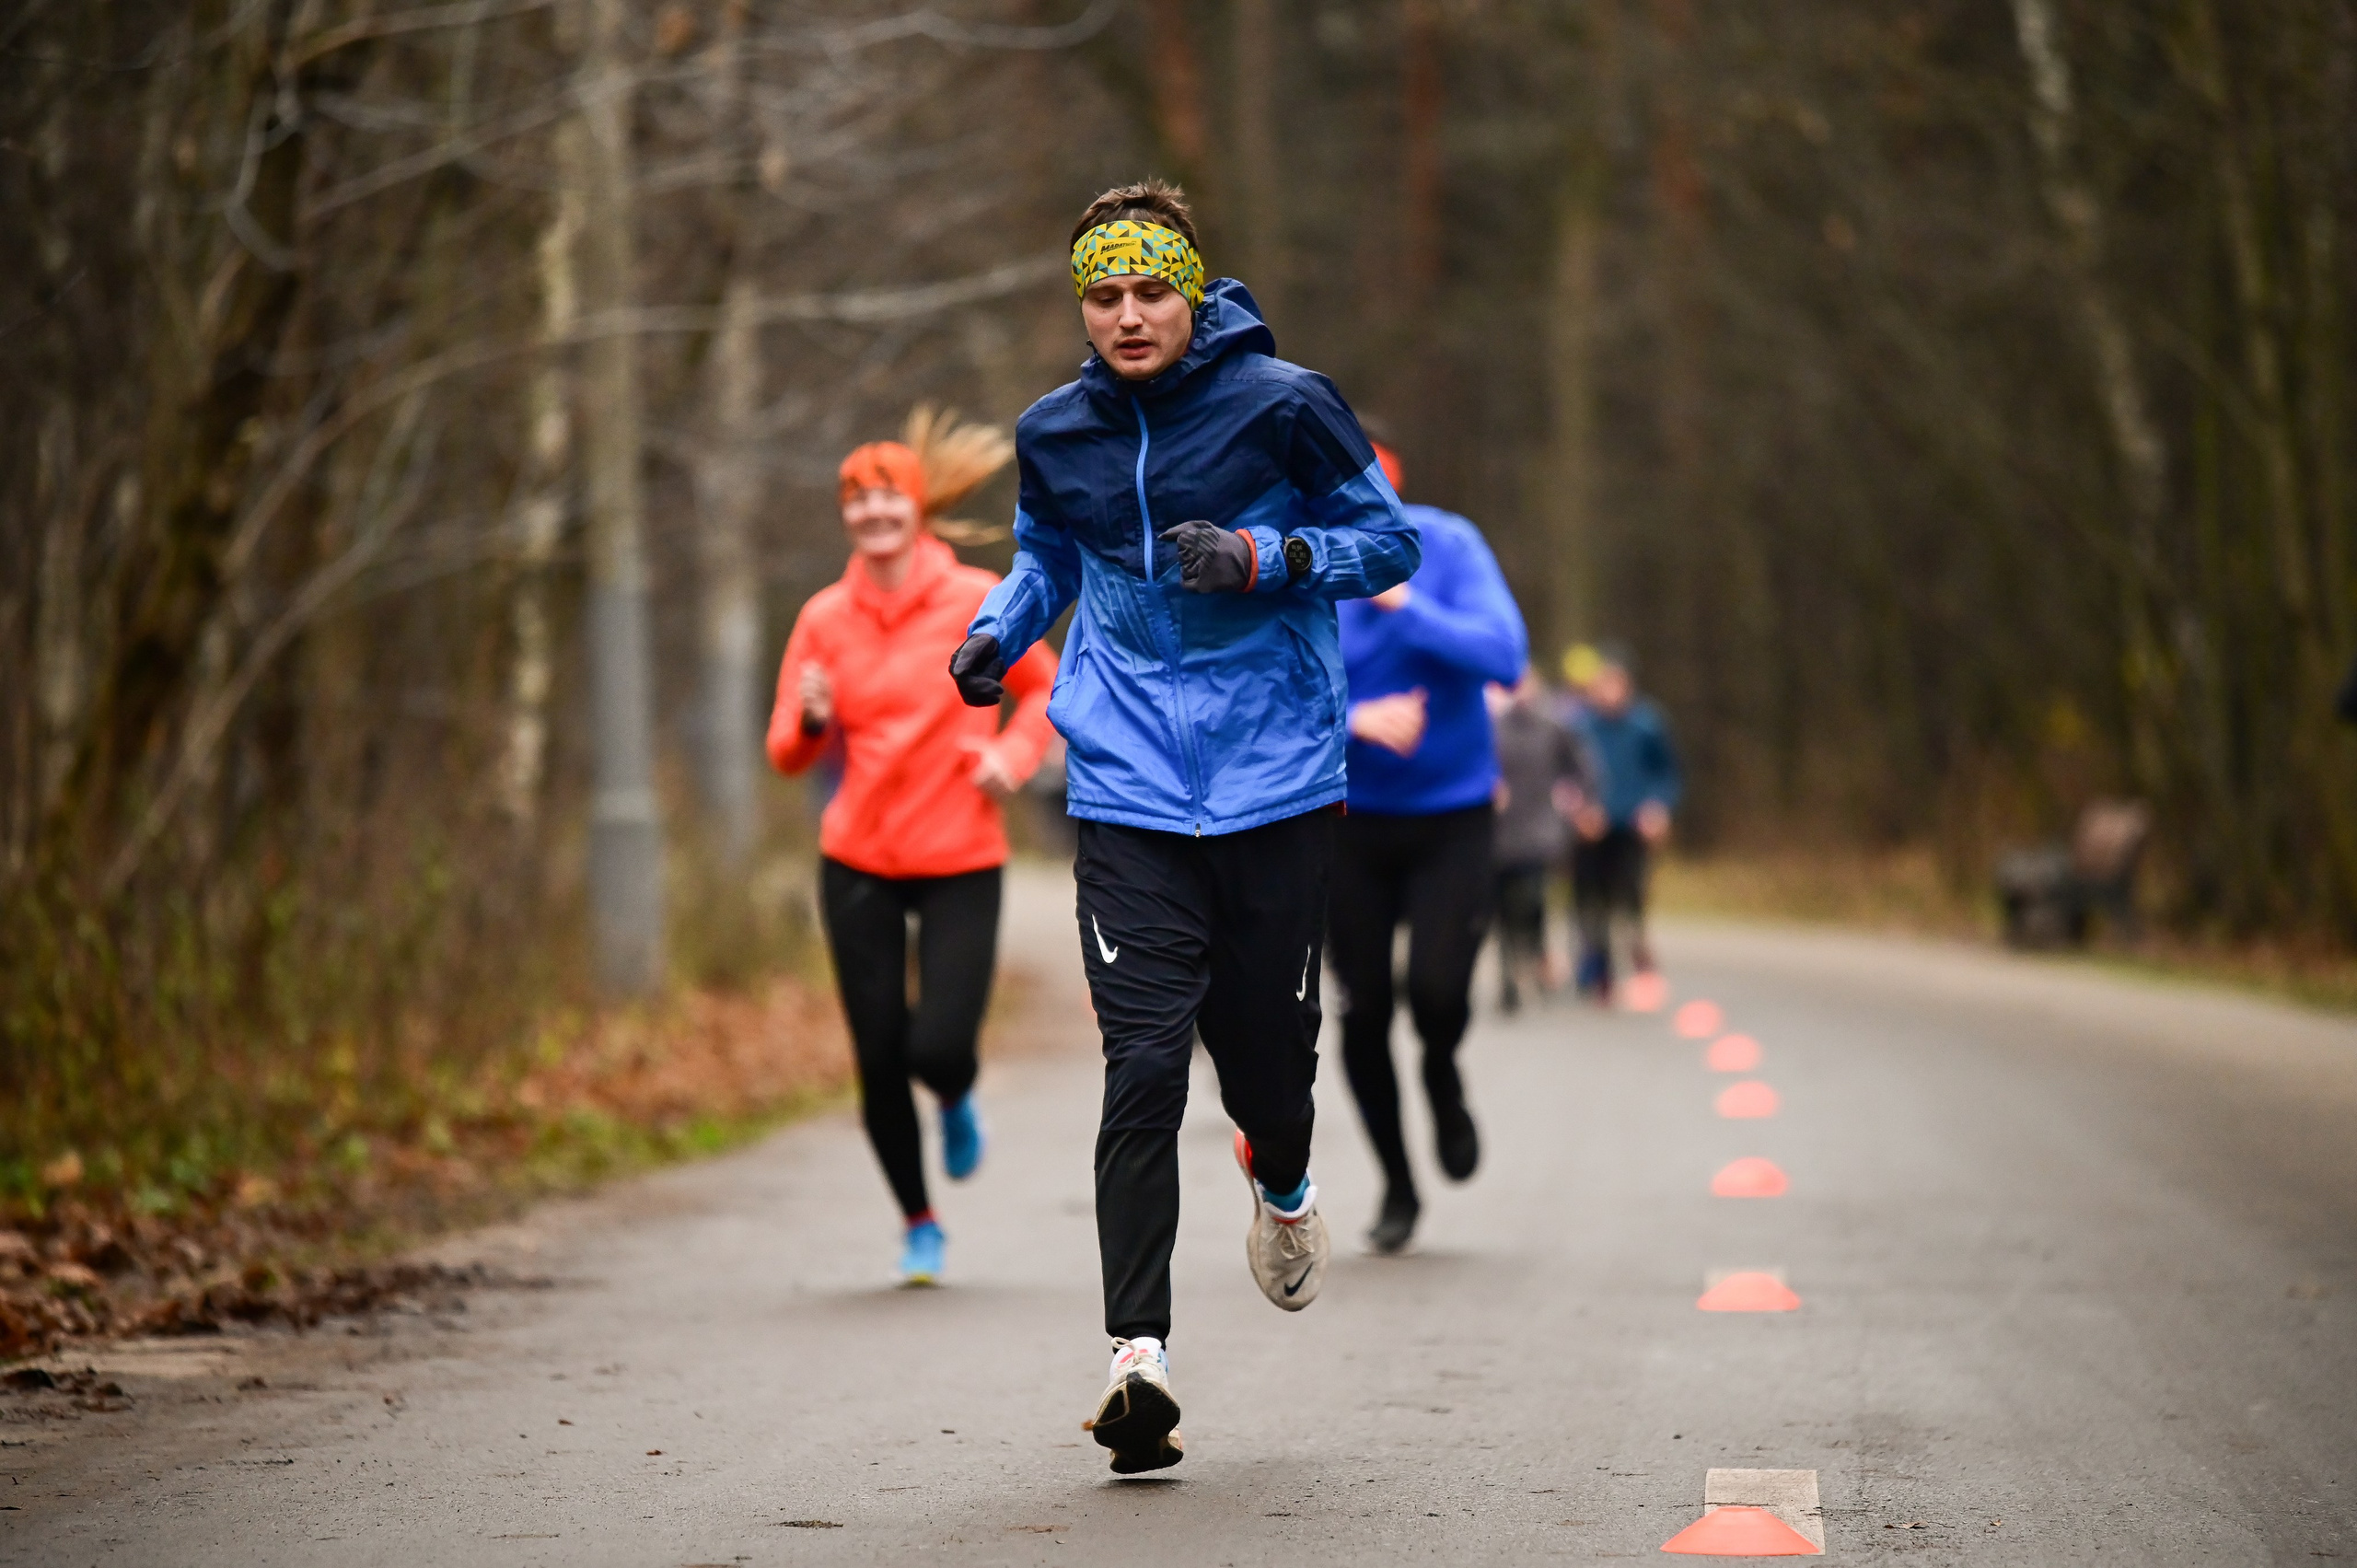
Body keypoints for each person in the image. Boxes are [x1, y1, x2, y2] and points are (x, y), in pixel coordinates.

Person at [949, 180, 1418, 1474]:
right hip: (1128, 784)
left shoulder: (1285, 403)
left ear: (1193, 291)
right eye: (1102, 294)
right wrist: (999, 631)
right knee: (1144, 1062)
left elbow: (1386, 546)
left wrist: (1268, 560)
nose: (1127, 315)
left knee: (1269, 1059)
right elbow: (1046, 556)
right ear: (1081, 305)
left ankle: (1284, 1183)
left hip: (1274, 775)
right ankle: (1136, 1358)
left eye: (1151, 289)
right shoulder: (1058, 430)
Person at [766, 409, 1058, 1287]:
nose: (875, 514)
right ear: (846, 517)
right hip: (857, 856)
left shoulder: (977, 598)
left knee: (937, 1047)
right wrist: (814, 717)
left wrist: (1012, 752)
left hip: (961, 849)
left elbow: (1043, 688)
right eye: (858, 502)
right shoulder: (824, 618)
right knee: (879, 1052)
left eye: (890, 498)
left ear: (918, 508)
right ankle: (919, 1222)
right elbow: (786, 750)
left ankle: (959, 1097)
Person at [1329, 441, 1527, 1256]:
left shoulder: (1449, 545)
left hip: (1453, 814)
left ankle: (1442, 1074)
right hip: (1346, 818)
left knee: (1438, 993)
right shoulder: (1301, 561)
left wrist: (1405, 605)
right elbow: (1263, 692)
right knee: (1364, 1008)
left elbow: (1505, 657)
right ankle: (1398, 1183)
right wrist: (1353, 720)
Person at [1566, 644, 1682, 1002]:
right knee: (1590, 901)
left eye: (1617, 684)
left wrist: (1658, 807)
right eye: (1604, 684)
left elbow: (1667, 773)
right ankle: (1596, 969)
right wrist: (1578, 810)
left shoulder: (1647, 724)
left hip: (1632, 828)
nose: (1610, 692)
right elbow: (1563, 777)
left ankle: (1639, 961)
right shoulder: (1579, 726)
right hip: (1590, 830)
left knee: (1631, 895)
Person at [1489, 668, 1593, 1014]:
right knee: (1502, 911)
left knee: (1532, 902)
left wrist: (1574, 797)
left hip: (1539, 833)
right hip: (1499, 835)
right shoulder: (1492, 730)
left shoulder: (1554, 728)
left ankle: (1534, 957)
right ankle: (1509, 977)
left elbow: (1581, 769)